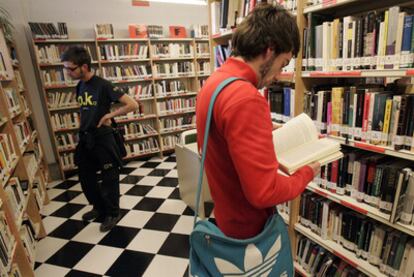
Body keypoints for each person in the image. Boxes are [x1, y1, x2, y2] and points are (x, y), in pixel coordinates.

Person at [196, 3, 321, 239]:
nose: (279, 75)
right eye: (283, 64)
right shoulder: (246, 98)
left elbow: (222, 140)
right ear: (269, 50)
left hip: (226, 216)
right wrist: (307, 172)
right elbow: (264, 192)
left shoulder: (215, 82)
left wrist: (261, 131)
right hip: (249, 231)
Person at [61, 46, 138, 232]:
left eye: (71, 68)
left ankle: (112, 213)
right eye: (66, 68)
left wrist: (107, 117)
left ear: (84, 66)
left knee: (109, 178)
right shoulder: (80, 85)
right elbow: (85, 110)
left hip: (103, 139)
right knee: (86, 177)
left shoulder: (103, 85)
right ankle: (99, 208)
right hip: (87, 138)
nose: (67, 72)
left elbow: (132, 104)